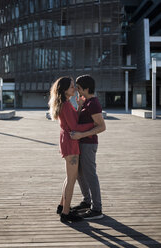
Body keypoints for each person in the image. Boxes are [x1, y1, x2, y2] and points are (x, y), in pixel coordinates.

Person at [48, 76, 94, 223]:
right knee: (72, 179)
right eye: (72, 86)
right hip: (70, 141)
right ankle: (66, 213)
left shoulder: (65, 103)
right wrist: (93, 126)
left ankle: (62, 206)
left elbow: (73, 121)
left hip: (67, 139)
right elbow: (75, 127)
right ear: (65, 90)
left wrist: (79, 107)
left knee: (69, 177)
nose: (75, 88)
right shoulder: (66, 105)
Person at [70, 75, 106, 220]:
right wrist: (79, 106)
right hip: (82, 143)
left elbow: (102, 127)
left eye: (78, 88)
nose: (77, 90)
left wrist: (81, 135)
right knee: (79, 173)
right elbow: (79, 120)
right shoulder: (86, 102)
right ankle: (86, 202)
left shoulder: (94, 104)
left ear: (86, 89)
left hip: (89, 144)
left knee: (90, 175)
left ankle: (97, 209)